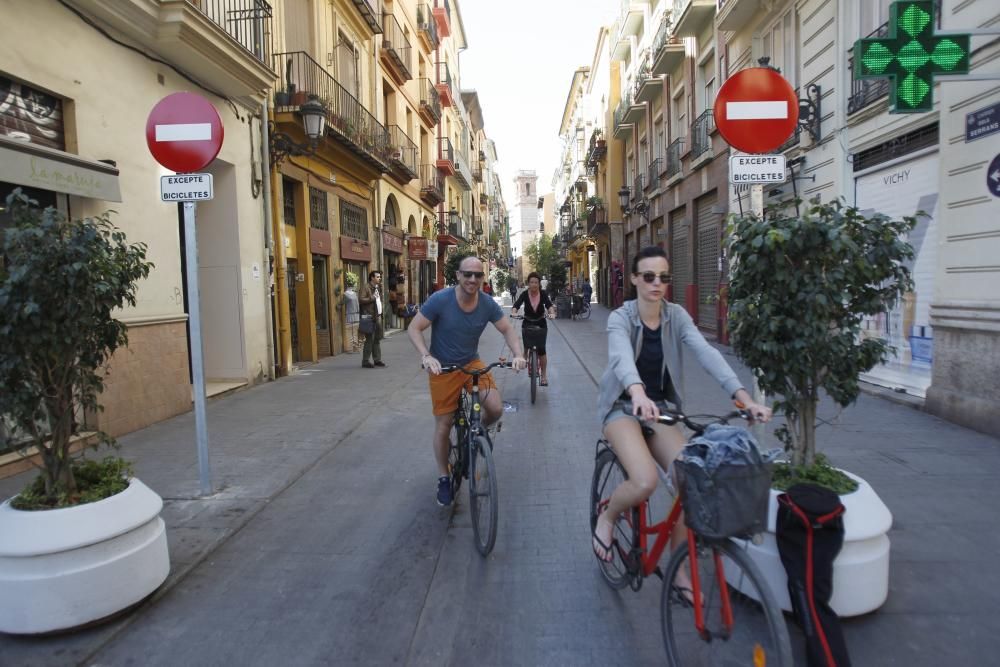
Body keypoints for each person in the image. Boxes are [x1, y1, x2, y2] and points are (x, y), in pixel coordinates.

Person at [592, 246, 772, 597]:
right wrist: (637, 391)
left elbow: (708, 354)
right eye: (648, 277)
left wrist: (744, 397)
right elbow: (621, 356)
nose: (656, 284)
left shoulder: (676, 316)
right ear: (634, 279)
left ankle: (678, 569)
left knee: (691, 483)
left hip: (659, 409)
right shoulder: (621, 318)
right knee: (644, 481)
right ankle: (608, 517)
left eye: (663, 277)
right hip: (622, 407)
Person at [407, 255, 527, 506]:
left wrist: (518, 354)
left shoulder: (486, 303)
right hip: (444, 367)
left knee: (494, 408)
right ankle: (443, 477)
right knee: (444, 424)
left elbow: (507, 329)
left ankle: (476, 436)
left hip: (471, 362)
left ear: (483, 278)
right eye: (468, 274)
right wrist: (427, 356)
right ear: (459, 276)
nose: (473, 279)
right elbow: (414, 328)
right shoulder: (441, 299)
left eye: (478, 275)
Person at [510, 272, 556, 386]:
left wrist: (552, 313)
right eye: (531, 282)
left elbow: (549, 305)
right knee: (526, 344)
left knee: (542, 351)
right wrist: (514, 312)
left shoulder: (543, 294)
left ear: (539, 284)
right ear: (528, 283)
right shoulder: (525, 294)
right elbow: (516, 305)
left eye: (536, 282)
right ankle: (525, 355)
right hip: (527, 322)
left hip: (541, 323)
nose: (534, 284)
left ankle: (544, 376)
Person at [357, 270, 385, 368]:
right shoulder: (366, 287)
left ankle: (377, 360)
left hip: (377, 317)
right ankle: (365, 361)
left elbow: (378, 301)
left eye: (379, 277)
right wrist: (372, 298)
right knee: (369, 339)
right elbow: (360, 299)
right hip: (369, 317)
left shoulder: (378, 287)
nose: (379, 278)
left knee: (377, 339)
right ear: (372, 278)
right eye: (377, 277)